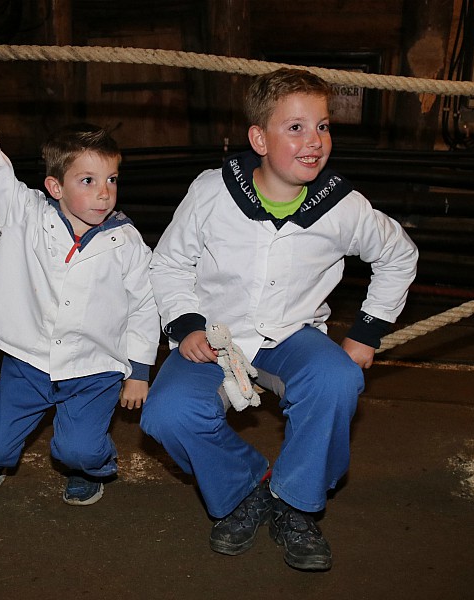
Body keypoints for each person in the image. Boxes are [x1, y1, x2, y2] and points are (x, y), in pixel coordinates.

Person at [141, 68, 418, 570]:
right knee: (167, 414)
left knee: (337, 379)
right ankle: (247, 485)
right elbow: (169, 262)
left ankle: (295, 500)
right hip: (216, 337)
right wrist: (185, 325)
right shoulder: (212, 192)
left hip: (293, 335)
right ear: (258, 138)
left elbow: (398, 255)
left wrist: (367, 331)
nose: (314, 141)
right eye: (295, 128)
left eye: (323, 126)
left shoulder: (343, 206)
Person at [0, 43, 160, 506]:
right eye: (87, 180)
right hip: (30, 360)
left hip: (95, 368)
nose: (103, 193)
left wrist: (138, 372)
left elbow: (144, 305)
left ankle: (88, 468)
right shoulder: (26, 214)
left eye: (111, 179)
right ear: (54, 186)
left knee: (79, 448)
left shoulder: (128, 242)